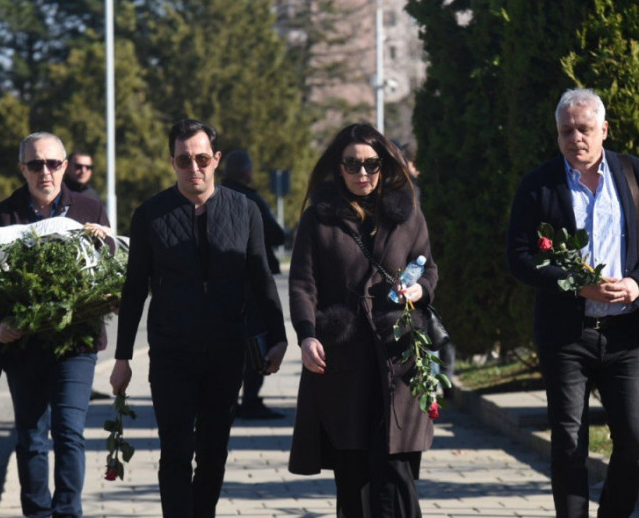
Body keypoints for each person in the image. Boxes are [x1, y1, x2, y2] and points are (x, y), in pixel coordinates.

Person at [506, 88, 639, 518]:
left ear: (604, 129)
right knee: (568, 444)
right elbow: (520, 257)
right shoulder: (539, 185)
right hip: (567, 336)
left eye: (584, 128)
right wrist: (578, 286)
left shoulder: (633, 174)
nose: (575, 138)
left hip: (626, 333)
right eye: (566, 131)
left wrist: (637, 283)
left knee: (636, 440)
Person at [109, 119, 287, 518]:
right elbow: (134, 290)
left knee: (213, 451)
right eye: (184, 160)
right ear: (171, 162)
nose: (194, 168)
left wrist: (279, 337)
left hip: (226, 351)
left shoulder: (245, 210)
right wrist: (123, 358)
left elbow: (261, 278)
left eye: (202, 159)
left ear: (216, 159)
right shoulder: (150, 215)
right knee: (175, 450)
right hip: (171, 352)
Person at [288, 123, 439, 517]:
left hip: (398, 358)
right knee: (353, 470)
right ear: (338, 167)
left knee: (396, 469)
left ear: (383, 166)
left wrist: (420, 290)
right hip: (344, 360)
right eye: (352, 164)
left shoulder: (406, 214)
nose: (362, 173)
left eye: (371, 164)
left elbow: (427, 266)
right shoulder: (319, 218)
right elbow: (303, 284)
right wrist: (306, 335)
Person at [0, 132, 109, 518]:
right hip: (24, 345)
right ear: (23, 169)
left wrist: (107, 259)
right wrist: (0, 322)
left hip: (77, 344)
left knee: (69, 432)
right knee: (32, 438)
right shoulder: (1, 217)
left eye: (53, 163)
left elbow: (109, 271)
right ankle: (36, 512)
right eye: (36, 164)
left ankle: (68, 512)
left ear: (65, 167)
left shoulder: (90, 210)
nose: (45, 172)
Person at [222, 149, 287, 419]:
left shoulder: (214, 197)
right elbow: (277, 234)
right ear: (247, 172)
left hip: (221, 283)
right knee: (256, 340)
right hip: (251, 281)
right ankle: (250, 400)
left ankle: (228, 400)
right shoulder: (250, 200)